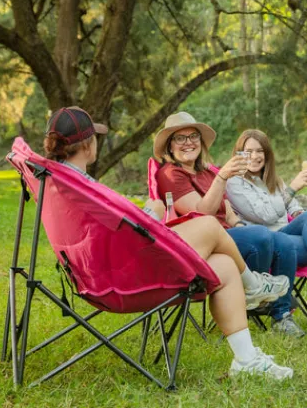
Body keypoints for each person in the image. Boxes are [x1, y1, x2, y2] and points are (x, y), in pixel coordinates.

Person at [43, 106, 293, 380]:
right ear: (89, 144)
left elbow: (116, 226)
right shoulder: (83, 187)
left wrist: (151, 211)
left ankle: (246, 360)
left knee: (223, 266)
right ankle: (254, 286)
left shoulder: (61, 180)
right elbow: (134, 225)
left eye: (192, 137)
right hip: (126, 275)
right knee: (208, 225)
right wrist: (154, 211)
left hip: (104, 270)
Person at [225, 129, 307, 337]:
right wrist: (294, 187)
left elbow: (292, 206)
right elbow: (266, 216)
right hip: (267, 247)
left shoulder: (273, 180)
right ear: (239, 154)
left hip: (287, 238)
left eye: (260, 151)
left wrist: (297, 212)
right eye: (248, 151)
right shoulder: (234, 183)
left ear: (267, 154)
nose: (254, 156)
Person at [153, 112, 293, 311]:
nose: (188, 143)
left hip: (228, 235)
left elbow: (227, 211)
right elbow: (203, 214)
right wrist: (223, 177)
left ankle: (282, 312)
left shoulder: (207, 171)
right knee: (261, 235)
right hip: (205, 243)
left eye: (193, 136)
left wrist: (239, 225)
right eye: (180, 138)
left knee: (284, 242)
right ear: (169, 145)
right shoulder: (171, 175)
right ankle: (254, 297)